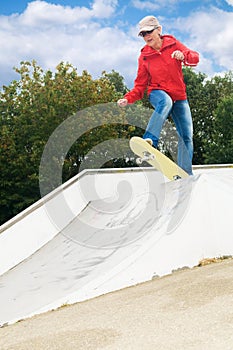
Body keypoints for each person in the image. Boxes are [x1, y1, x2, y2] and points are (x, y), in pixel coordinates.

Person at [117, 15, 199, 175]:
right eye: (143, 34)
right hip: (157, 93)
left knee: (187, 136)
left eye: (149, 32)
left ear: (158, 30)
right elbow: (140, 85)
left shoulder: (173, 44)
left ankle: (185, 173)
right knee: (165, 102)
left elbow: (194, 57)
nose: (146, 37)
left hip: (179, 97)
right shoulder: (144, 57)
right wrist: (128, 98)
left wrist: (184, 56)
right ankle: (150, 140)